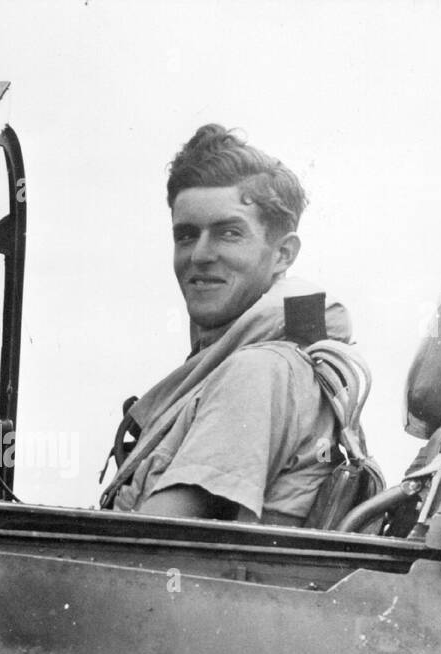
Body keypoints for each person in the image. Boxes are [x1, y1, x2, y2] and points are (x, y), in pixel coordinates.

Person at [100, 125, 354, 525]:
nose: (200, 255)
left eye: (228, 234)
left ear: (283, 254)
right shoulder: (228, 362)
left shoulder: (257, 371)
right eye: (186, 235)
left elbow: (153, 546)